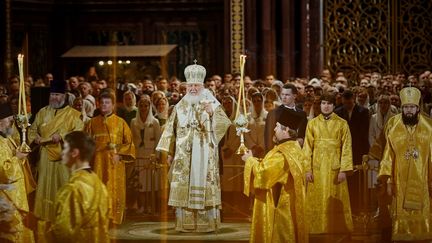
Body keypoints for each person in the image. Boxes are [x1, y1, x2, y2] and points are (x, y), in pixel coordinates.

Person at [156, 62, 231, 232]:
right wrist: (167, 151)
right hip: (184, 156)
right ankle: (186, 223)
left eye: (196, 85)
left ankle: (207, 224)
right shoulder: (181, 104)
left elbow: (224, 123)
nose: (193, 88)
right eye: (190, 85)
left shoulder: (211, 101)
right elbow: (170, 128)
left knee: (204, 185)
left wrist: (212, 114)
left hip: (205, 153)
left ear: (202, 85)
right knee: (185, 186)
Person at [241, 108, 307, 243]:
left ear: (286, 129)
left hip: (280, 210)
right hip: (288, 206)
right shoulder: (293, 148)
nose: (274, 130)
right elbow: (271, 168)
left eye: (277, 127)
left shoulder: (283, 154)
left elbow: (263, 174)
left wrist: (249, 160)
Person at [28, 79, 84, 236]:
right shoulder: (42, 112)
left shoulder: (72, 114)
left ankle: (66, 221)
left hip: (64, 159)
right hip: (45, 157)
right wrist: (36, 137)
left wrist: (63, 136)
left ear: (64, 96)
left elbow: (79, 132)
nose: (54, 97)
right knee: (45, 188)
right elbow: (32, 130)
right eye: (52, 94)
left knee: (64, 188)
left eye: (57, 94)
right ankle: (45, 222)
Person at [378, 87, 432, 241]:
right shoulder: (393, 125)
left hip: (423, 178)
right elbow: (388, 153)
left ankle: (424, 235)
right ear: (402, 108)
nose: (409, 110)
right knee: (400, 208)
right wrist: (387, 180)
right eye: (406, 107)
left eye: (412, 107)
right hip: (399, 179)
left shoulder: (429, 127)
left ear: (417, 108)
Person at [304, 93, 354, 234]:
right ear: (319, 105)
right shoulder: (312, 123)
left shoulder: (342, 123)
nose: (326, 106)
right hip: (317, 168)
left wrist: (344, 170)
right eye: (324, 103)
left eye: (329, 103)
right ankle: (315, 228)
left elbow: (347, 147)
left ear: (334, 105)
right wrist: (307, 169)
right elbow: (307, 148)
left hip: (335, 167)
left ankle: (336, 227)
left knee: (335, 196)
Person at [85, 91, 135, 225]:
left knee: (114, 188)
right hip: (97, 163)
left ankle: (114, 217)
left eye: (107, 103)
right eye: (101, 103)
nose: (104, 105)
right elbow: (85, 143)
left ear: (113, 105)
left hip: (115, 163)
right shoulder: (92, 123)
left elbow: (129, 143)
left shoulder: (121, 123)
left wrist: (119, 155)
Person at [50, 131, 109, 243]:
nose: (61, 153)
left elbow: (63, 232)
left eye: (65, 148)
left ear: (74, 153)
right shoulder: (99, 184)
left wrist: (35, 226)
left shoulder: (73, 188)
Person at [0, 103, 34, 243]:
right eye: (10, 120)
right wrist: (17, 158)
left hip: (16, 193)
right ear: (0, 122)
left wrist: (20, 155)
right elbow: (3, 171)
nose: (12, 124)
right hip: (7, 196)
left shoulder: (7, 139)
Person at [130, 97, 161, 214]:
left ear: (149, 107)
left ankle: (150, 206)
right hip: (139, 154)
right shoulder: (133, 122)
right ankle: (141, 206)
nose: (143, 108)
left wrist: (156, 155)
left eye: (146, 106)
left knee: (150, 183)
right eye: (141, 106)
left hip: (150, 155)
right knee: (140, 183)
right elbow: (132, 139)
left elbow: (158, 140)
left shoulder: (155, 122)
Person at [264, 83, 307, 152]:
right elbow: (268, 138)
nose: (284, 97)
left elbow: (304, 135)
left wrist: (301, 140)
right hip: (278, 155)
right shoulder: (273, 113)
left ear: (294, 96)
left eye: (287, 95)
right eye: (282, 94)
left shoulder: (302, 114)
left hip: (297, 153)